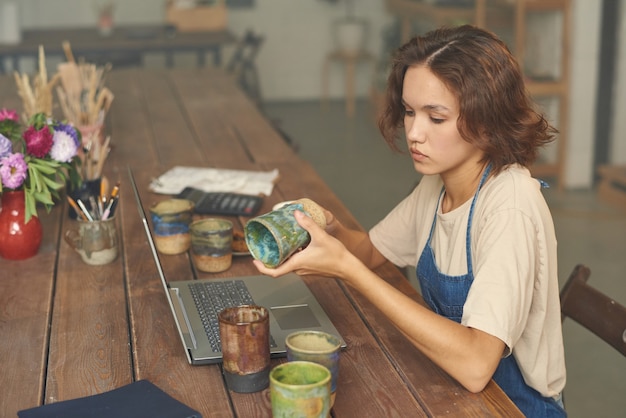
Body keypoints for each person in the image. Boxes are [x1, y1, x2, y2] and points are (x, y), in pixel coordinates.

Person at [253, 25, 566, 417]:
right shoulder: (438, 183)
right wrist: (328, 231)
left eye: (436, 117)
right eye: (409, 111)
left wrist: (346, 269)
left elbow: (474, 366)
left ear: (487, 121)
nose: (414, 133)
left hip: (511, 407)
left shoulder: (509, 206)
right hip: (452, 390)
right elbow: (370, 251)